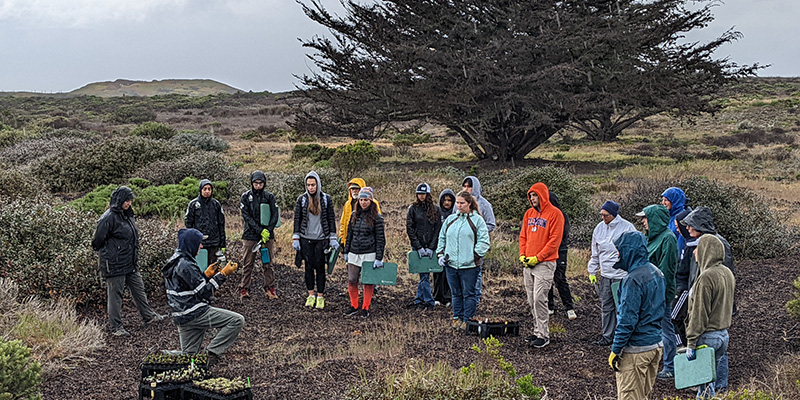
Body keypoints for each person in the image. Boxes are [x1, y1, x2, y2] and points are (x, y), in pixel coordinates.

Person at [162, 228, 244, 368]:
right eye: (199, 243)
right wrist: (223, 274)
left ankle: (162, 354)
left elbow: (190, 287)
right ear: (191, 244)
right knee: (237, 320)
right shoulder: (186, 265)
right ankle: (212, 353)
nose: (201, 246)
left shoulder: (176, 261)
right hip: (195, 313)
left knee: (188, 357)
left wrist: (205, 276)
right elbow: (205, 293)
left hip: (181, 315)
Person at [91, 185, 165, 337]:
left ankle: (148, 316)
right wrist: (112, 253)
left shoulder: (128, 215)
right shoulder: (108, 217)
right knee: (115, 295)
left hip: (130, 262)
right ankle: (115, 327)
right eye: (127, 200)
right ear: (119, 200)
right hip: (114, 263)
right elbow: (97, 241)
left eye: (130, 200)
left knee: (139, 289)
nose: (129, 203)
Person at [678, 206, 735, 392]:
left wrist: (691, 343)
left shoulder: (706, 277)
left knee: (704, 387)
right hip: (722, 333)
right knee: (714, 381)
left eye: (697, 249)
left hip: (707, 335)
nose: (694, 253)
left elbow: (699, 312)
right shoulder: (726, 273)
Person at [607, 231, 666, 400]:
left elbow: (627, 320)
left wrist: (616, 349)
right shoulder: (657, 272)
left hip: (636, 350)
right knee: (644, 396)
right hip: (655, 345)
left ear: (629, 251)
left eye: (619, 250)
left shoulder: (633, 280)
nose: (618, 254)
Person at [518, 183, 564, 348]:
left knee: (539, 298)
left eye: (535, 195)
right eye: (530, 196)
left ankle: (544, 335)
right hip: (528, 263)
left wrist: (538, 257)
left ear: (542, 195)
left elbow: (554, 241)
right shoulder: (528, 214)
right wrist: (523, 254)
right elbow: (523, 236)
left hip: (545, 263)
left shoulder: (555, 214)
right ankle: (537, 331)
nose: (532, 199)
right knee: (531, 299)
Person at [636, 205, 678, 380]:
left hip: (659, 294)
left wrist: (657, 294)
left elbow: (666, 272)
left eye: (645, 218)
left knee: (666, 329)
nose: (643, 222)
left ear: (654, 219)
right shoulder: (651, 237)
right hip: (649, 292)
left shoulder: (668, 239)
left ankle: (670, 366)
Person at [437, 191, 490, 330]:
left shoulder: (477, 220)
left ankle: (468, 320)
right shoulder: (451, 220)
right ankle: (457, 318)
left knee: (469, 293)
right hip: (451, 264)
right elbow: (442, 237)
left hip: (469, 265)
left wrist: (475, 255)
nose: (459, 206)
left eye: (462, 203)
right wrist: (441, 254)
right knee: (456, 293)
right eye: (457, 203)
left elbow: (484, 241)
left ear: (469, 204)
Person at [587, 201, 637, 346]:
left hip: (622, 276)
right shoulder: (599, 228)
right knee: (606, 306)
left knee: (622, 307)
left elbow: (634, 250)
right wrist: (592, 270)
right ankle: (607, 336)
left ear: (613, 214)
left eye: (606, 215)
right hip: (606, 275)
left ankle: (624, 336)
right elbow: (595, 253)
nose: (603, 218)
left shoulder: (627, 227)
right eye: (601, 215)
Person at [293, 171, 338, 310]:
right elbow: (297, 219)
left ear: (318, 184)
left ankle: (320, 296)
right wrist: (296, 237)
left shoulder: (326, 199)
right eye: (308, 185)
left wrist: (332, 237)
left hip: (321, 239)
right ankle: (310, 294)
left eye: (313, 185)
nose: (311, 188)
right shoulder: (302, 200)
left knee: (320, 268)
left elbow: (331, 218)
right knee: (308, 267)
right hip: (306, 239)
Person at [343, 187, 385, 318]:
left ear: (371, 201)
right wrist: (346, 250)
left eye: (366, 199)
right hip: (354, 252)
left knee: (367, 281)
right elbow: (349, 234)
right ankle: (354, 305)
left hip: (369, 252)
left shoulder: (377, 217)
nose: (363, 202)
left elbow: (380, 239)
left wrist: (379, 257)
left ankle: (365, 307)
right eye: (361, 200)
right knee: (352, 279)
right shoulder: (353, 215)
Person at [239, 171, 279, 300]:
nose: (258, 185)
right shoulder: (245, 197)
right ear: (252, 183)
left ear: (264, 183)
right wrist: (259, 230)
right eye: (255, 183)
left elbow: (275, 215)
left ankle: (270, 288)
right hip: (250, 235)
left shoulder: (269, 197)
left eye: (260, 183)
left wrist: (268, 230)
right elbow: (246, 216)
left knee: (268, 263)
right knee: (247, 263)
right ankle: (244, 289)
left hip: (267, 236)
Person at [406, 183, 441, 311]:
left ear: (428, 194)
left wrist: (432, 247)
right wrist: (418, 246)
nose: (421, 196)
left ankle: (420, 299)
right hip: (418, 246)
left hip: (430, 245)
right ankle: (428, 300)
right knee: (424, 274)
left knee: (425, 274)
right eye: (419, 194)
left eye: (424, 194)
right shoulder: (413, 209)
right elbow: (410, 228)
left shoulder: (435, 209)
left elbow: (437, 229)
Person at [462, 176, 495, 306]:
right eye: (464, 186)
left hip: (476, 244)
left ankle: (476, 298)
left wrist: (477, 231)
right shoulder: (459, 203)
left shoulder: (484, 205)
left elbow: (491, 224)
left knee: (475, 271)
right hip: (462, 244)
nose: (466, 189)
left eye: (469, 186)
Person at [547, 192, 576, 320]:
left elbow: (563, 234)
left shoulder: (561, 215)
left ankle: (569, 307)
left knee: (559, 279)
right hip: (546, 251)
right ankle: (550, 307)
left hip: (560, 250)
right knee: (546, 279)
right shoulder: (542, 215)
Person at [184, 179, 226, 266]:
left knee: (214, 268)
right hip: (200, 244)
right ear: (200, 190)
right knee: (200, 267)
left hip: (214, 242)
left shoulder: (216, 204)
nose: (207, 191)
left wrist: (223, 243)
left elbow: (221, 224)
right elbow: (188, 224)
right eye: (205, 189)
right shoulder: (193, 204)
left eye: (209, 189)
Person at [339, 178, 382, 246]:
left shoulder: (373, 203)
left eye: (357, 189)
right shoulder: (347, 204)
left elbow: (378, 225)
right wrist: (342, 240)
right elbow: (343, 224)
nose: (355, 191)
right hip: (350, 244)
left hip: (367, 245)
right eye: (353, 189)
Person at [433, 189, 456, 306]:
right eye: (445, 200)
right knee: (437, 273)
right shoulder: (437, 213)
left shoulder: (455, 214)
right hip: (438, 247)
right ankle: (437, 296)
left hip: (451, 248)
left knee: (448, 274)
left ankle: (448, 297)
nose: (447, 203)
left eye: (449, 200)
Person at [661, 187, 689, 255]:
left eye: (666, 200)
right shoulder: (668, 216)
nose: (663, 203)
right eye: (662, 200)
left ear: (674, 201)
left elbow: (681, 243)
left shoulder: (682, 218)